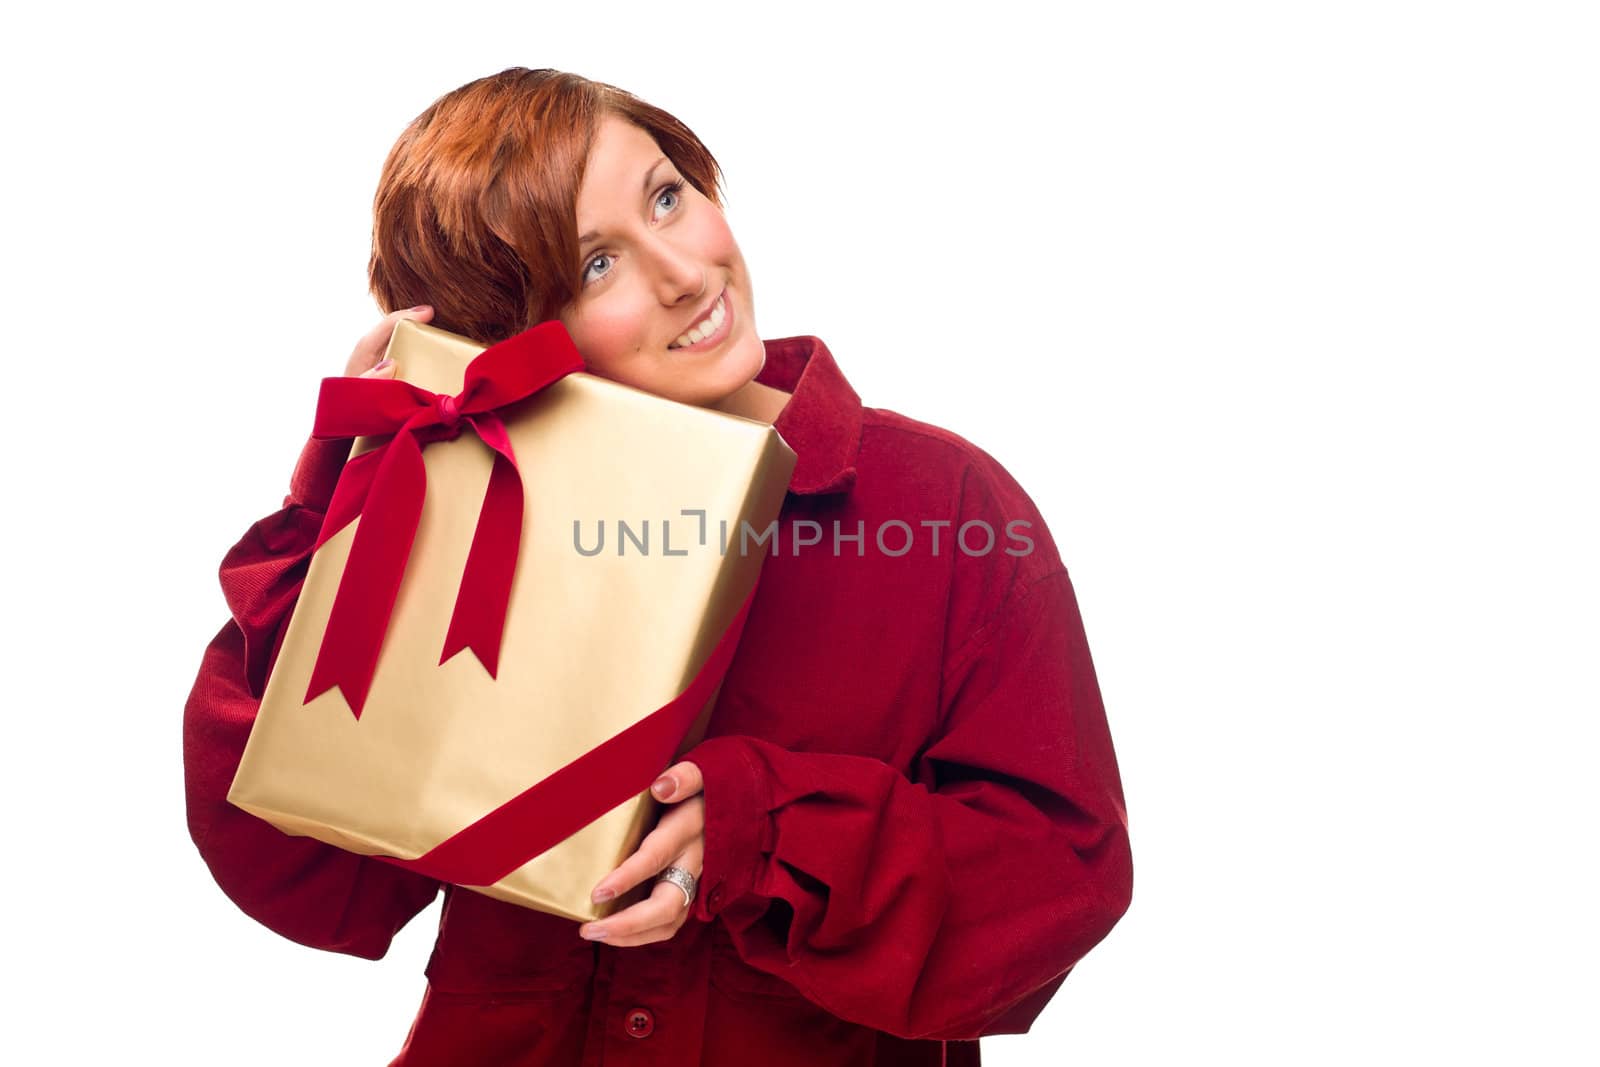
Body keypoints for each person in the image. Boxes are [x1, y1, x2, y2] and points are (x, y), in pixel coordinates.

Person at [183, 68, 1134, 1067]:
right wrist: (342, 516)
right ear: (501, 329)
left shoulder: (945, 506)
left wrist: (766, 834)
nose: (685, 271)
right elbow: (308, 872)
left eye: (668, 195)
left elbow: (1057, 884)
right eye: (596, 264)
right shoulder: (459, 511)